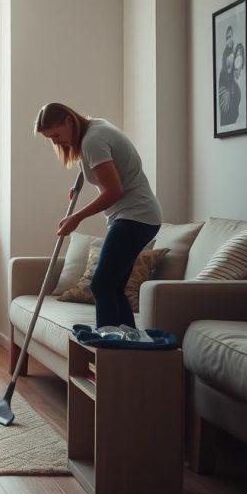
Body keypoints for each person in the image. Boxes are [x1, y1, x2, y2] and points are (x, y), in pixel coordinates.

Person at [35, 102, 162, 329]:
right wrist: (80, 181)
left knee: (101, 286)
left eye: (56, 134)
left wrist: (77, 218)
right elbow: (103, 165)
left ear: (68, 120)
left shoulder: (92, 140)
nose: (55, 142)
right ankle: (128, 344)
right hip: (138, 217)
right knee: (113, 288)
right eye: (50, 139)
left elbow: (114, 191)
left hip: (135, 217)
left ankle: (107, 348)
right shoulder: (94, 128)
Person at [218, 42, 245, 126]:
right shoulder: (226, 80)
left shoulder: (240, 82)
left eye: (241, 54)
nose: (239, 57)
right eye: (237, 54)